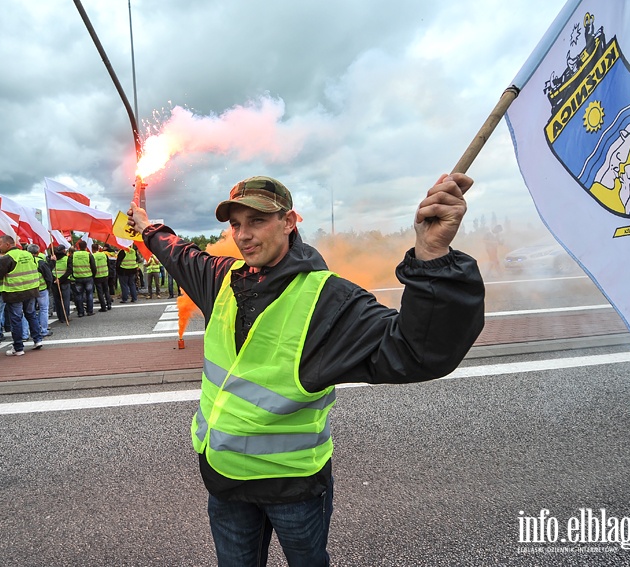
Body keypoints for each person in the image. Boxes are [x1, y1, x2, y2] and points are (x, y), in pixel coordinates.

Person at [127, 174, 485, 565]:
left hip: (293, 488)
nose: (243, 235)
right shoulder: (223, 280)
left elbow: (418, 350)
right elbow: (179, 253)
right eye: (236, 224)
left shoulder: (330, 299)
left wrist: (432, 255)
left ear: (289, 221)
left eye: (257, 221)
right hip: (224, 481)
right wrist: (148, 227)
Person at [0, 236, 43, 357]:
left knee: (16, 319)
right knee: (31, 315)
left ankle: (18, 347)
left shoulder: (8, 258)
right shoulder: (28, 254)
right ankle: (37, 340)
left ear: (8, 245)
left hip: (15, 292)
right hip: (31, 290)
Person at [29, 244, 54, 337]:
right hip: (42, 289)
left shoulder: (25, 262)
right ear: (38, 252)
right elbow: (48, 276)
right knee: (43, 309)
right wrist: (48, 287)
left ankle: (32, 331)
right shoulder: (40, 262)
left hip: (29, 289)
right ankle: (43, 330)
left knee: (30, 311)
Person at [70, 240, 96, 318]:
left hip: (77, 277)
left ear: (78, 246)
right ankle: (89, 311)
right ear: (85, 247)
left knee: (78, 295)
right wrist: (93, 275)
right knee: (89, 294)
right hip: (88, 277)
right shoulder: (89, 255)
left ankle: (80, 312)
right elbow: (93, 267)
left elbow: (70, 266)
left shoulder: (73, 255)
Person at [91, 243, 112, 312]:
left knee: (100, 292)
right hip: (105, 274)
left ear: (92, 249)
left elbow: (93, 267)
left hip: (97, 276)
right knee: (106, 290)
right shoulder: (104, 254)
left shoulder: (93, 256)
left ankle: (103, 307)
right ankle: (109, 304)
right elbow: (108, 264)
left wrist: (93, 275)